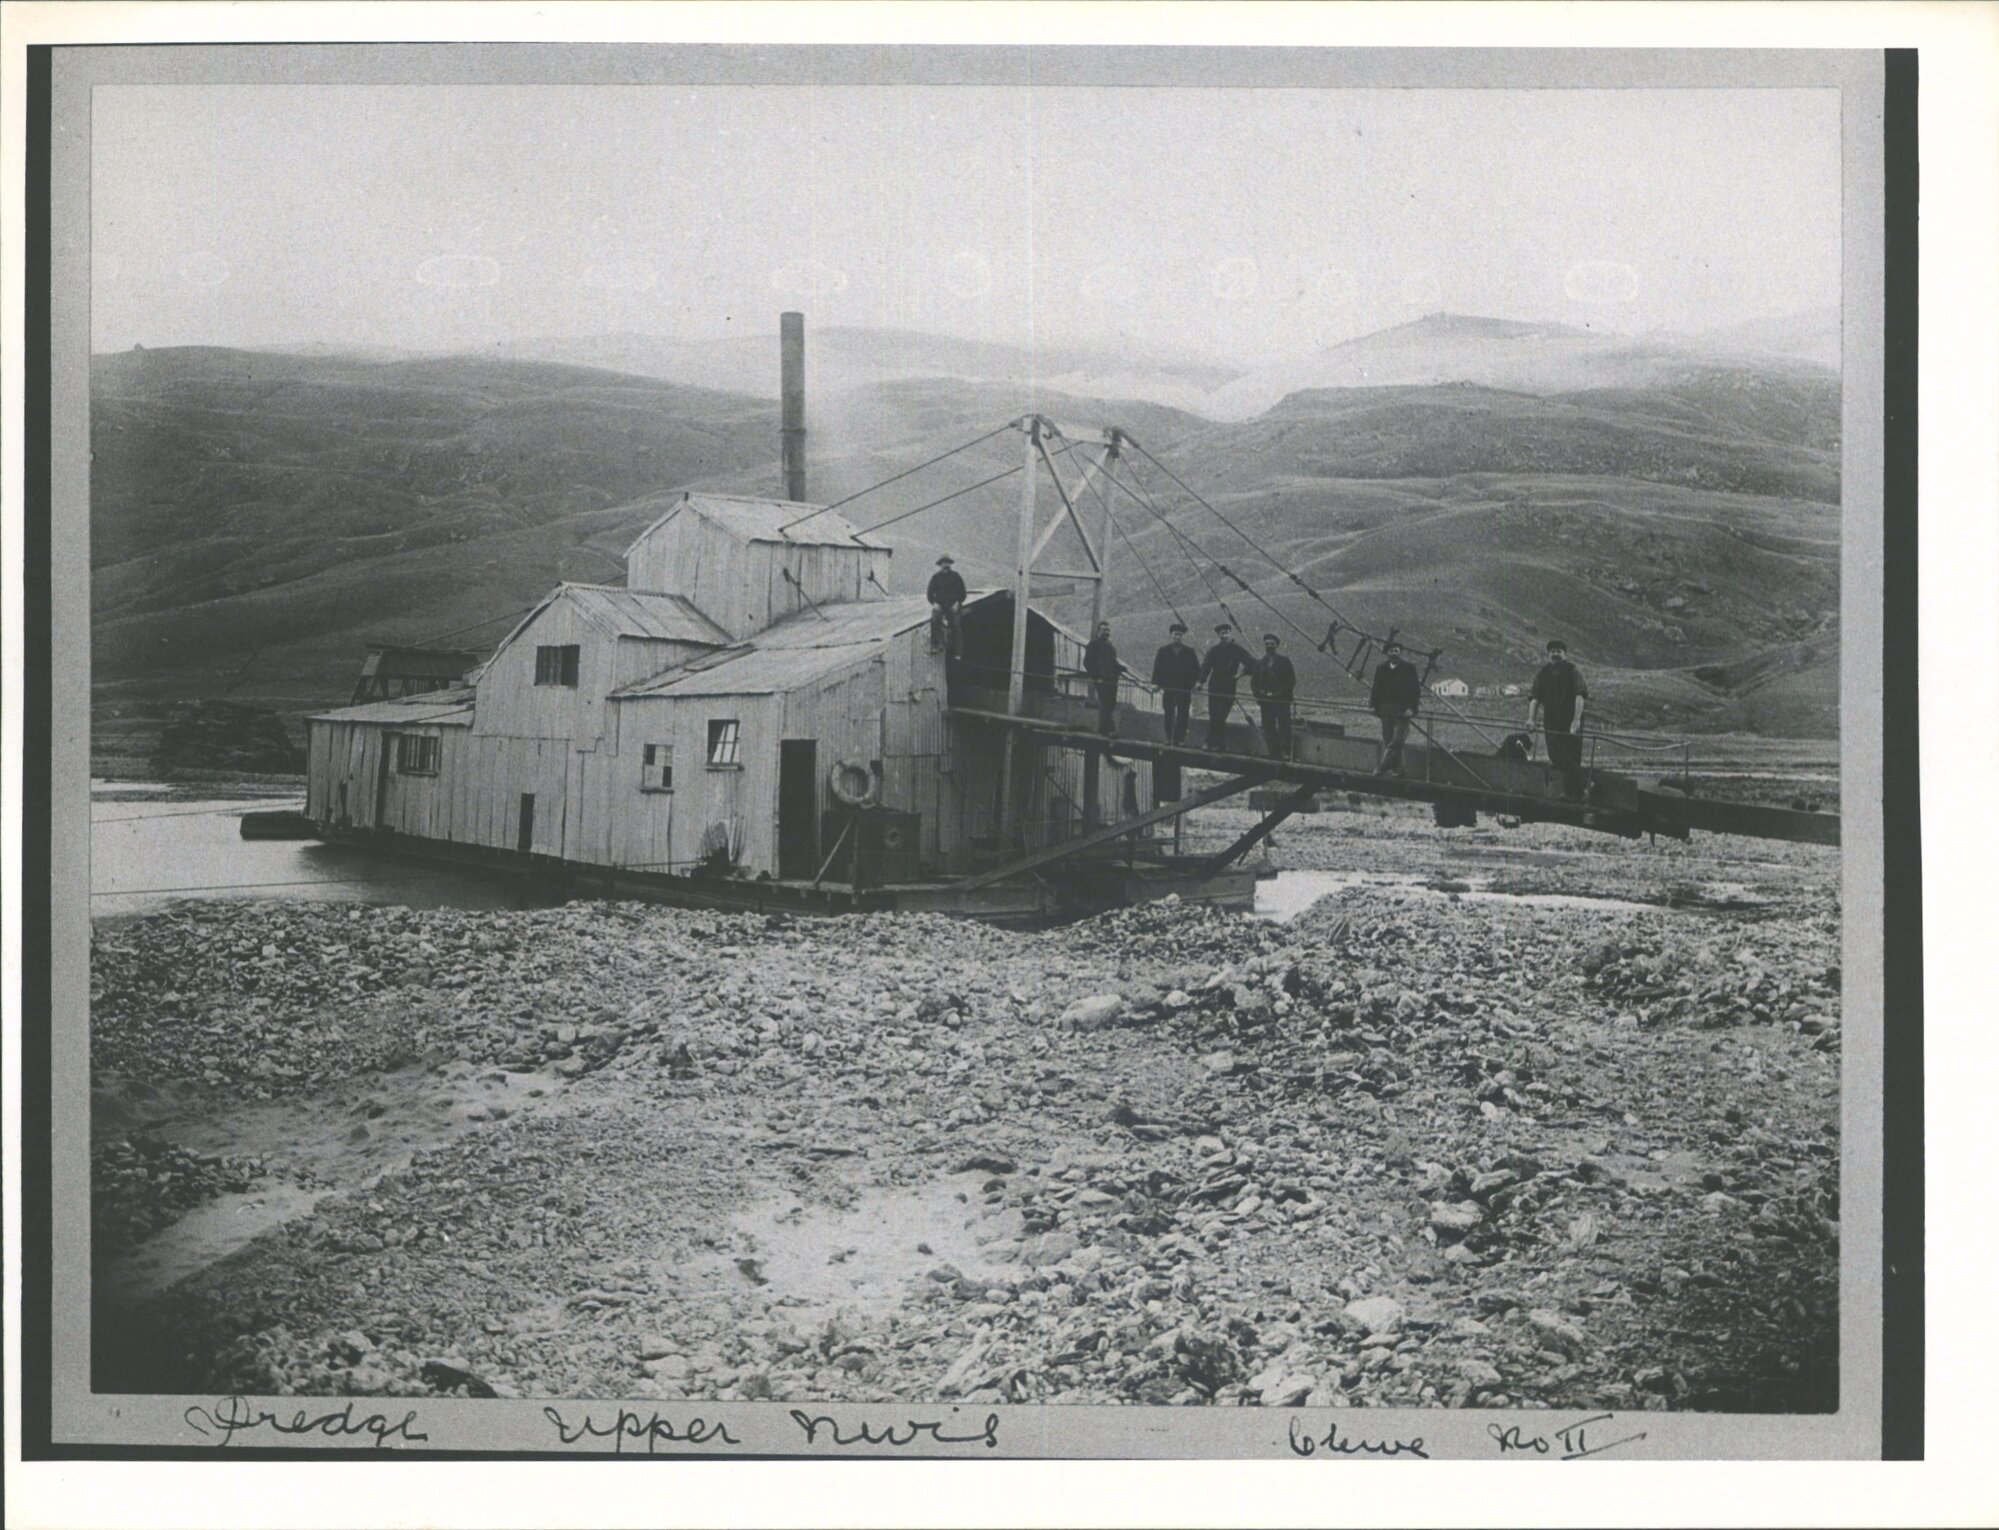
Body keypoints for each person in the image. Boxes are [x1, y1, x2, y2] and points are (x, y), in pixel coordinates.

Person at [1529, 639, 1590, 798]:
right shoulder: (1543, 674)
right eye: (1552, 651)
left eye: (1559, 651)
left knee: (1571, 757)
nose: (1555, 654)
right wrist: (1531, 719)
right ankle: (1580, 787)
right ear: (1549, 654)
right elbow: (1534, 697)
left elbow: (1580, 696)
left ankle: (1574, 792)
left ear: (1564, 654)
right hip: (1552, 720)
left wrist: (1576, 721)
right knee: (1555, 755)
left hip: (1570, 719)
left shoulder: (1572, 671)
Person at [1197, 622, 1255, 751]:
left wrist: (1240, 674)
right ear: (1218, 635)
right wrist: (1200, 681)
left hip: (1229, 685)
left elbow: (1251, 663)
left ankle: (1211, 743)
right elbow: (1206, 666)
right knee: (1214, 714)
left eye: (1226, 632)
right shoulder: (1214, 650)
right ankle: (1217, 745)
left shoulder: (1236, 649)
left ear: (1230, 633)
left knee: (1222, 715)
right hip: (1215, 684)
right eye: (1222, 633)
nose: (1224, 635)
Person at [1368, 638, 1421, 776]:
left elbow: (1415, 690)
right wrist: (1373, 706)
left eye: (1397, 651)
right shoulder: (1381, 668)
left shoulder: (1409, 668)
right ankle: (1399, 769)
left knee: (1397, 740)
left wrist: (1412, 708)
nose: (1394, 653)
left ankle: (1382, 767)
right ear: (1386, 653)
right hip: (1385, 709)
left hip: (1403, 710)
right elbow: (1376, 688)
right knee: (1388, 739)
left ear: (1400, 652)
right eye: (1391, 651)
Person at [1150, 621, 1200, 745]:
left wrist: (1197, 683)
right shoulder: (1163, 651)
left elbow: (1196, 670)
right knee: (1168, 713)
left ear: (1182, 636)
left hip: (1184, 688)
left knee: (1183, 714)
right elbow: (1157, 668)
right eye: (1175, 634)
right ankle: (1168, 738)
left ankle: (1180, 739)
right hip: (1169, 687)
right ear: (1171, 635)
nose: (1177, 637)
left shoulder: (1189, 652)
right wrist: (1155, 683)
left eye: (1180, 635)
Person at [1250, 633, 1297, 758]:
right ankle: (1273, 751)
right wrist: (1259, 694)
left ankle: (1285, 752)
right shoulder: (1260, 663)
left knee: (1284, 725)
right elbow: (1254, 682)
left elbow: (1291, 680)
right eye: (1267, 644)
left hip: (1281, 700)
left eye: (1272, 644)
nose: (1269, 646)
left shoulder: (1284, 661)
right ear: (1264, 646)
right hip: (1266, 701)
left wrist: (1279, 693)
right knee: (1268, 726)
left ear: (1276, 645)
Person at [1083, 620, 1122, 735]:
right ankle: (1110, 729)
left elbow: (1113, 662)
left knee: (1111, 703)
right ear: (1098, 632)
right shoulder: (1093, 645)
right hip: (1102, 679)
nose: (1106, 632)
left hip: (1112, 680)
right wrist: (1096, 677)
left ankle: (1102, 729)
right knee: (1105, 703)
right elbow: (1087, 662)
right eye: (1104, 630)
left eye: (1108, 630)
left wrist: (1120, 668)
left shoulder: (1110, 647)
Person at [926, 555, 966, 657]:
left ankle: (958, 652)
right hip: (940, 605)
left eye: (947, 562)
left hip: (953, 605)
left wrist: (957, 603)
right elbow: (929, 593)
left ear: (950, 564)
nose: (946, 565)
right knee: (934, 621)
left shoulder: (956, 576)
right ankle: (937, 645)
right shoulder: (935, 577)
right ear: (940, 564)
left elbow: (963, 593)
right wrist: (934, 604)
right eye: (944, 563)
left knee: (956, 626)